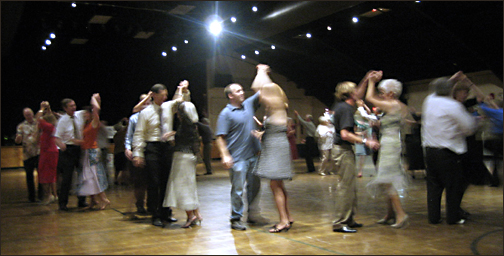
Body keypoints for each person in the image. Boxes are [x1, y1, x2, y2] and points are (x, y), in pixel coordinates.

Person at [132, 81, 190, 227]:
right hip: (152, 147)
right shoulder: (145, 112)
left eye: (166, 95)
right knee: (154, 182)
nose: (165, 98)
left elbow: (183, 104)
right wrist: (137, 153)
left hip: (167, 147)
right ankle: (155, 214)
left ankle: (166, 212)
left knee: (167, 182)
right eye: (162, 95)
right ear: (154, 95)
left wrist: (184, 90)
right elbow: (139, 133)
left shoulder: (168, 108)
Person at [422, 77, 477, 225]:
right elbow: (469, 128)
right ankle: (453, 218)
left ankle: (434, 217)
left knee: (434, 187)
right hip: (448, 152)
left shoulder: (429, 100)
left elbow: (435, 89)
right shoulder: (453, 106)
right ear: (450, 90)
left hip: (430, 151)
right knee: (453, 187)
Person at [330, 72, 380, 233]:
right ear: (351, 94)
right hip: (343, 150)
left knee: (350, 187)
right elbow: (344, 134)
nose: (359, 93)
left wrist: (366, 78)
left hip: (344, 150)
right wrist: (367, 141)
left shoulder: (343, 106)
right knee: (345, 187)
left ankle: (349, 219)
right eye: (356, 91)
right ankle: (340, 222)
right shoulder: (345, 108)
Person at [250, 64, 294, 233]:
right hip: (275, 144)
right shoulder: (278, 105)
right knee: (279, 185)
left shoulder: (276, 104)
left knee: (275, 186)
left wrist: (261, 71)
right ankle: (288, 217)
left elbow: (257, 87)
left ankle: (283, 221)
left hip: (276, 147)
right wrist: (262, 134)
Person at [364, 73, 412, 228]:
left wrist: (370, 81)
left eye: (382, 93)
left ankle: (400, 214)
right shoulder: (401, 106)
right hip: (394, 142)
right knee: (388, 177)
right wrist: (380, 124)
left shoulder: (391, 104)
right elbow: (397, 123)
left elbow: (369, 97)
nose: (380, 96)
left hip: (389, 145)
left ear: (391, 94)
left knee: (386, 180)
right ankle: (390, 214)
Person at [215, 81, 263, 231]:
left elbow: (262, 90)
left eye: (242, 90)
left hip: (253, 156)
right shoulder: (226, 113)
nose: (242, 92)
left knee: (255, 186)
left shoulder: (248, 104)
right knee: (238, 189)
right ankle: (236, 218)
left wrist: (262, 73)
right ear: (230, 95)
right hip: (238, 159)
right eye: (238, 91)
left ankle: (252, 215)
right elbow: (220, 137)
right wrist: (225, 155)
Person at [163, 101, 203, 228]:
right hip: (189, 157)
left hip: (182, 158)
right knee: (190, 186)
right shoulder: (192, 125)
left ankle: (191, 215)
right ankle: (196, 213)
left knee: (182, 187)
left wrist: (173, 135)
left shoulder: (185, 125)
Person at [74, 93, 111, 210]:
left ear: (90, 114)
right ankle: (93, 200)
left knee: (94, 177)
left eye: (86, 113)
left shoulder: (94, 123)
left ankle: (104, 199)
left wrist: (94, 99)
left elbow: (97, 110)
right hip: (86, 151)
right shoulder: (86, 125)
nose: (84, 115)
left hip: (92, 152)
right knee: (88, 178)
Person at [54, 98, 89, 211]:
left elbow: (93, 110)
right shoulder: (63, 120)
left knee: (82, 175)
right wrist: (61, 145)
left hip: (78, 148)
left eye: (74, 105)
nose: (74, 107)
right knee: (67, 178)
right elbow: (56, 137)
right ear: (65, 108)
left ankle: (82, 200)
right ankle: (63, 203)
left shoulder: (79, 115)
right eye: (71, 106)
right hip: (67, 150)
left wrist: (95, 99)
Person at [125, 93, 151, 214]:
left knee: (153, 181)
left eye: (148, 101)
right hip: (138, 151)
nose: (146, 104)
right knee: (139, 182)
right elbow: (129, 136)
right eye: (143, 102)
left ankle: (153, 205)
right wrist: (127, 149)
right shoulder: (134, 118)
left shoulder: (155, 115)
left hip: (151, 151)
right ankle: (140, 204)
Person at [37, 101, 63, 205]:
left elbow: (38, 119)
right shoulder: (52, 126)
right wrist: (49, 108)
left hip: (48, 152)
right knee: (51, 175)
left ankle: (48, 195)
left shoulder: (48, 127)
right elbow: (48, 116)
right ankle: (54, 195)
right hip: (51, 152)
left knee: (44, 174)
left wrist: (41, 108)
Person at [15, 107, 43, 202]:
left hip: (38, 152)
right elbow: (18, 140)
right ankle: (31, 196)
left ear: (32, 114)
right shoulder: (21, 126)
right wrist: (18, 139)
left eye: (30, 114)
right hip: (27, 154)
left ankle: (41, 194)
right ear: (24, 116)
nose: (29, 116)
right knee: (29, 176)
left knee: (41, 175)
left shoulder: (38, 123)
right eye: (27, 115)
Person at [354, 100, 374, 178]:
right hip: (360, 136)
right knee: (360, 154)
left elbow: (368, 112)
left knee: (364, 155)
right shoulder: (358, 113)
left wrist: (364, 105)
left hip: (366, 135)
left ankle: (361, 170)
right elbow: (355, 130)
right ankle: (359, 171)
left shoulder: (364, 111)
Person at [113, 118, 129, 185]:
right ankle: (123, 181)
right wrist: (126, 121)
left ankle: (116, 179)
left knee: (117, 168)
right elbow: (127, 127)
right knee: (124, 168)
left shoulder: (115, 135)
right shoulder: (122, 134)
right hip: (122, 151)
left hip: (116, 152)